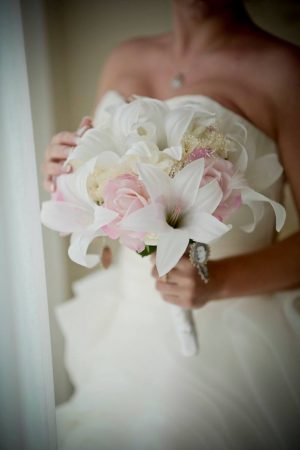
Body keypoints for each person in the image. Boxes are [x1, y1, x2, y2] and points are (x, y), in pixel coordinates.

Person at [42, 1, 300, 448]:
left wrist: (215, 280)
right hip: (124, 331)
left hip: (227, 339)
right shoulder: (123, 59)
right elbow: (106, 235)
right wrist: (70, 183)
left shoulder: (283, 70)